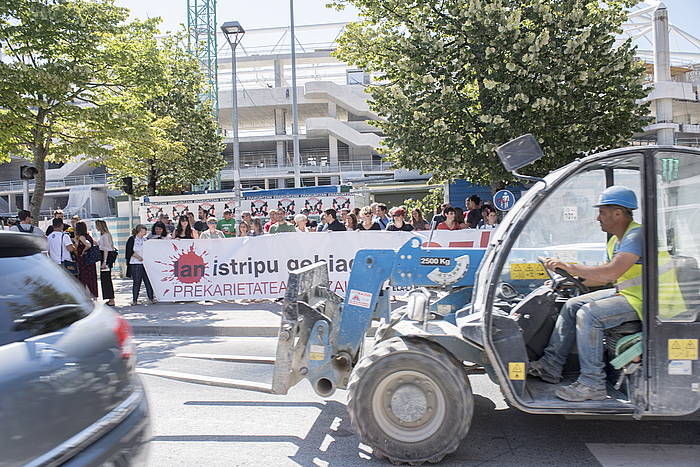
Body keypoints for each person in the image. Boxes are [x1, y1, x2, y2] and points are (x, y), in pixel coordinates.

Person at [528, 186, 648, 402]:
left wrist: (571, 267)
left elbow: (611, 272)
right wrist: (567, 278)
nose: (597, 218)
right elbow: (603, 276)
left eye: (602, 212)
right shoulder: (616, 240)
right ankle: (550, 366)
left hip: (647, 300)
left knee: (589, 314)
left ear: (618, 213)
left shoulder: (636, 235)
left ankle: (592, 383)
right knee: (573, 305)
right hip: (629, 294)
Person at [126, 224, 155, 306]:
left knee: (148, 281)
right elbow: (129, 251)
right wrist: (138, 257)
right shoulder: (132, 239)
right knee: (137, 281)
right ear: (139, 231)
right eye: (143, 231)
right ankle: (135, 299)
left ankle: (151, 298)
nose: (145, 232)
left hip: (145, 263)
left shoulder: (145, 240)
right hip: (136, 263)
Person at [74, 221, 99, 298]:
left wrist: (83, 252)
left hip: (84, 261)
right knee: (92, 278)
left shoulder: (82, 237)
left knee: (84, 278)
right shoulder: (89, 236)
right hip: (90, 261)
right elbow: (96, 244)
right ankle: (93, 294)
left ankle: (87, 295)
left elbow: (88, 245)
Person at [95, 220, 116, 306]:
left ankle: (111, 299)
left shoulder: (105, 236)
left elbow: (106, 249)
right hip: (105, 258)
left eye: (97, 226)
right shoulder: (105, 235)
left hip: (106, 258)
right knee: (105, 278)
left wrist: (104, 261)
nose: (96, 227)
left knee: (106, 278)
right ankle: (110, 298)